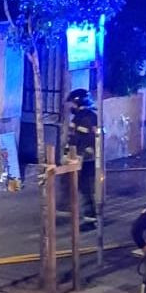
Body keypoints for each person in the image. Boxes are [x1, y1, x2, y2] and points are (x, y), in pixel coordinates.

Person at [65, 88, 98, 228]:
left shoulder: (88, 117)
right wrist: (67, 152)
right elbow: (73, 138)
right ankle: (84, 214)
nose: (71, 107)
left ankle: (91, 220)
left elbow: (89, 139)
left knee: (87, 188)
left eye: (73, 103)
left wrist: (81, 155)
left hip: (87, 160)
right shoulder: (79, 117)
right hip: (79, 158)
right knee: (80, 187)